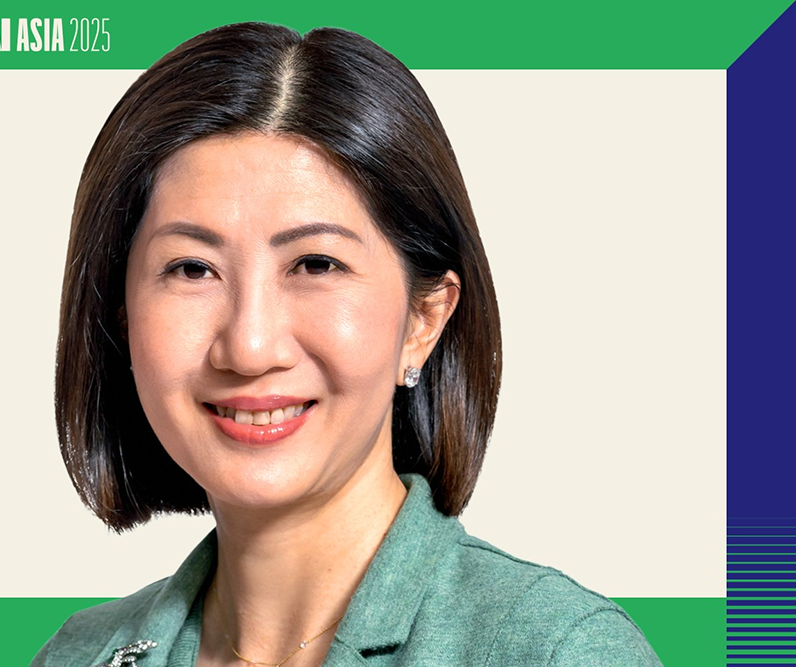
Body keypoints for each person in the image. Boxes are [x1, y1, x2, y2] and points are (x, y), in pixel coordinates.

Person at [33, 22, 662, 667]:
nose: (249, 347)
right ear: (122, 319)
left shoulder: (557, 650)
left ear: (423, 319)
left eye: (316, 264)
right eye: (193, 269)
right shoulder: (77, 655)